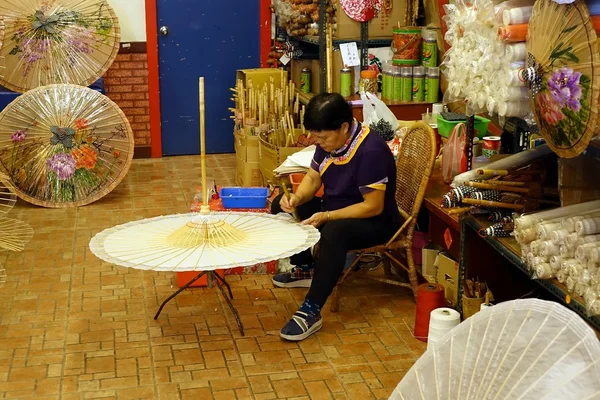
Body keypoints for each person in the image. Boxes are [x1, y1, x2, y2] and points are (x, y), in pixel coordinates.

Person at [271, 92, 401, 341]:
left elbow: (372, 206)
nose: (318, 142)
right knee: (281, 204)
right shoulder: (329, 143)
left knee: (334, 232)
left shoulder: (370, 151)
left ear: (344, 127)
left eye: (323, 137)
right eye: (315, 137)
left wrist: (328, 215)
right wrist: (297, 198)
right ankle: (307, 268)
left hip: (375, 221)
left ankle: (312, 310)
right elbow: (312, 177)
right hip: (335, 209)